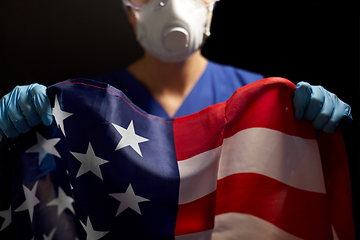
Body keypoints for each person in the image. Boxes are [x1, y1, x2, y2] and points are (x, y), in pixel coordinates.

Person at [0, 0, 353, 140]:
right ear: (129, 13)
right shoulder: (89, 106)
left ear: (211, 9)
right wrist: (14, 136)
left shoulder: (259, 99)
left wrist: (315, 136)